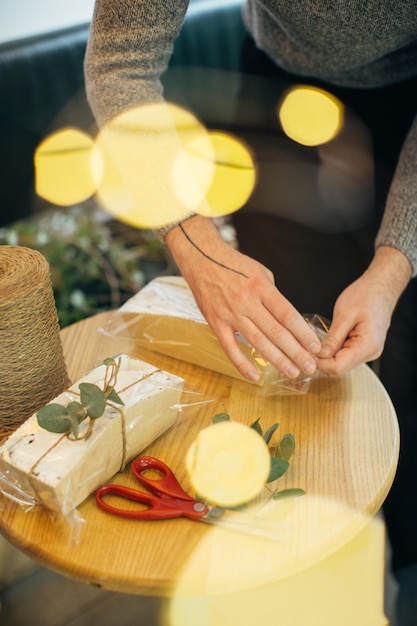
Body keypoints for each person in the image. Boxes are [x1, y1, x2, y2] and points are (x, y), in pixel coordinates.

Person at [84, 0, 417, 614]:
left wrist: (394, 265)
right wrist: (193, 240)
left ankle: (393, 571)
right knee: (289, 384)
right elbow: (120, 65)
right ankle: (295, 571)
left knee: (406, 390)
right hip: (277, 102)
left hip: (409, 111)